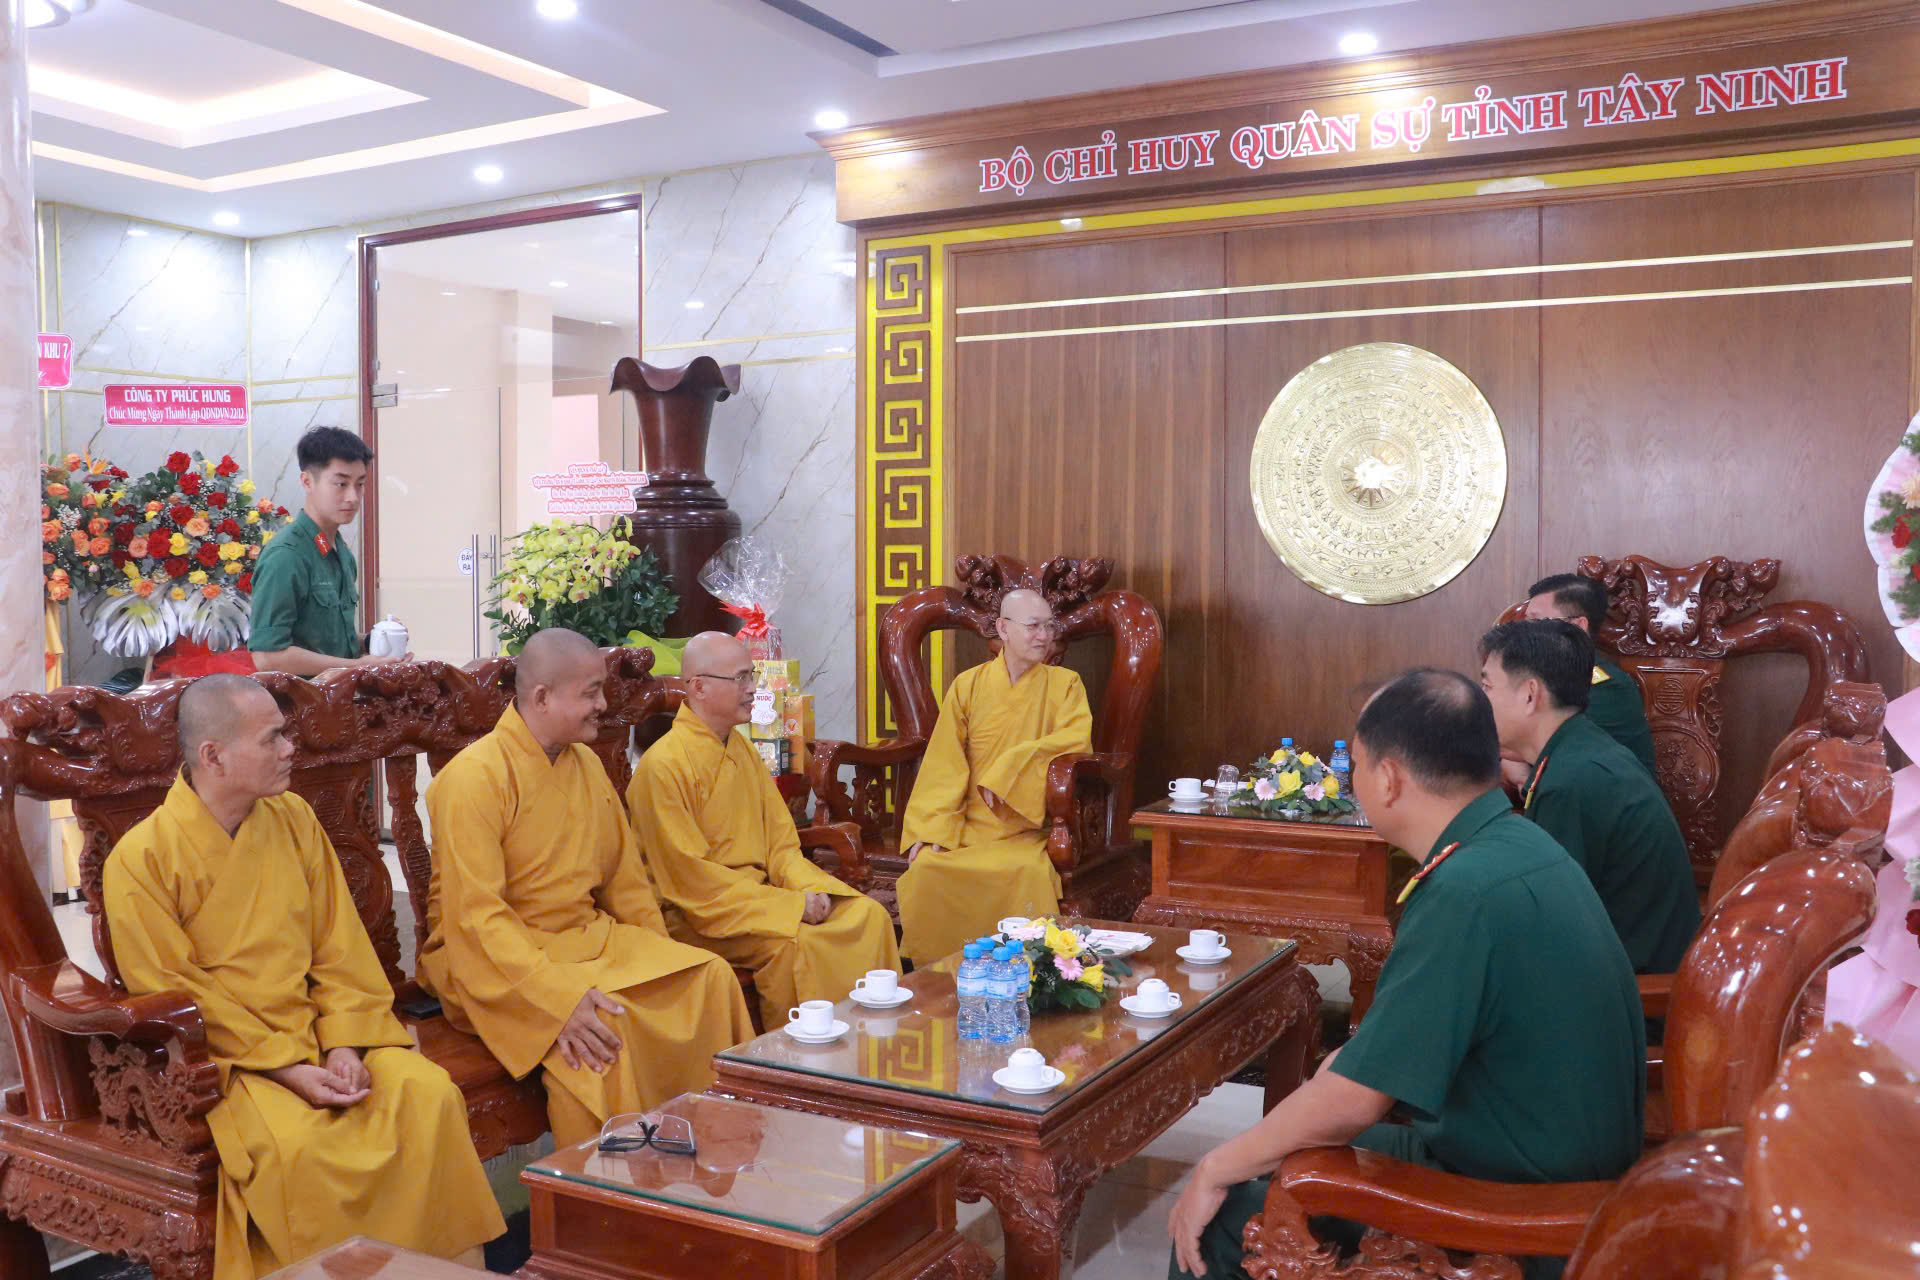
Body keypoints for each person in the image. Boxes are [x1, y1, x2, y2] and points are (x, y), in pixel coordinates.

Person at [1168, 669, 1644, 1280]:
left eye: (1358, 765)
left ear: (1389, 779)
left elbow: (1354, 1101)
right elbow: (1377, 1059)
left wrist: (1212, 1168)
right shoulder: (1513, 846)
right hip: (1553, 1169)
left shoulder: (1465, 892)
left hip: (1522, 1215)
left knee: (1228, 1215)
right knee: (1278, 1149)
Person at [102, 675, 503, 1280]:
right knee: (296, 1149)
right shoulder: (141, 860)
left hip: (323, 1031)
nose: (291, 749)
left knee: (426, 1096)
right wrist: (288, 1069)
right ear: (214, 755)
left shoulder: (293, 819)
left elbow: (339, 947)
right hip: (234, 1061)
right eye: (272, 739)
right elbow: (175, 993)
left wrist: (345, 1042)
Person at [418, 628, 755, 1145]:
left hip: (584, 939)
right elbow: (477, 918)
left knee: (707, 977)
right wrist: (555, 999)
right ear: (542, 697)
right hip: (493, 962)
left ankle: (714, 1149)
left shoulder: (586, 765)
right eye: (591, 693)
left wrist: (660, 954)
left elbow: (625, 880)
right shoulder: (474, 779)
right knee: (605, 1031)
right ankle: (614, 1180)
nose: (603, 705)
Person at [627, 632, 899, 1027]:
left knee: (868, 916)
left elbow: (781, 847)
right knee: (800, 945)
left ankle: (873, 1043)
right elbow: (690, 882)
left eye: (751, 676)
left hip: (759, 898)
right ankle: (807, 1055)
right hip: (700, 914)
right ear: (698, 687)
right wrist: (790, 907)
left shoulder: (742, 750)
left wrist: (809, 889)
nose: (753, 688)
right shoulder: (662, 767)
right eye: (740, 678)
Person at [1479, 620, 1699, 973]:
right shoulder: (1579, 749)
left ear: (1530, 695)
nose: (1480, 701)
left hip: (1631, 991)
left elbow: (1548, 923)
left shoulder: (1572, 783)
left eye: (1487, 686)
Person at [894, 588, 1093, 963]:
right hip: (970, 828)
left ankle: (1026, 975)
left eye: (1049, 627)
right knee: (926, 871)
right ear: (1003, 628)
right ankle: (942, 977)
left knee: (1027, 873)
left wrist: (1012, 765)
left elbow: (1075, 743)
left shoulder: (1066, 684)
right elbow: (943, 763)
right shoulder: (968, 685)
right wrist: (931, 830)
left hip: (1027, 829)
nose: (1044, 636)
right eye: (1033, 626)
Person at [250, 427, 403, 675]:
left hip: (340, 695)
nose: (353, 497)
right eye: (341, 484)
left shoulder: (340, 551)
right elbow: (268, 656)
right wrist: (357, 666)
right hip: (304, 698)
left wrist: (374, 641)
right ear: (307, 482)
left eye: (360, 484)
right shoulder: (286, 556)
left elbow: (330, 638)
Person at [1522, 573, 1658, 776]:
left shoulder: (1608, 688)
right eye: (1525, 623)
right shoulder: (1538, 676)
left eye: (1535, 622)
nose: (1524, 633)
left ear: (1577, 627)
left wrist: (1514, 764)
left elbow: (1549, 748)